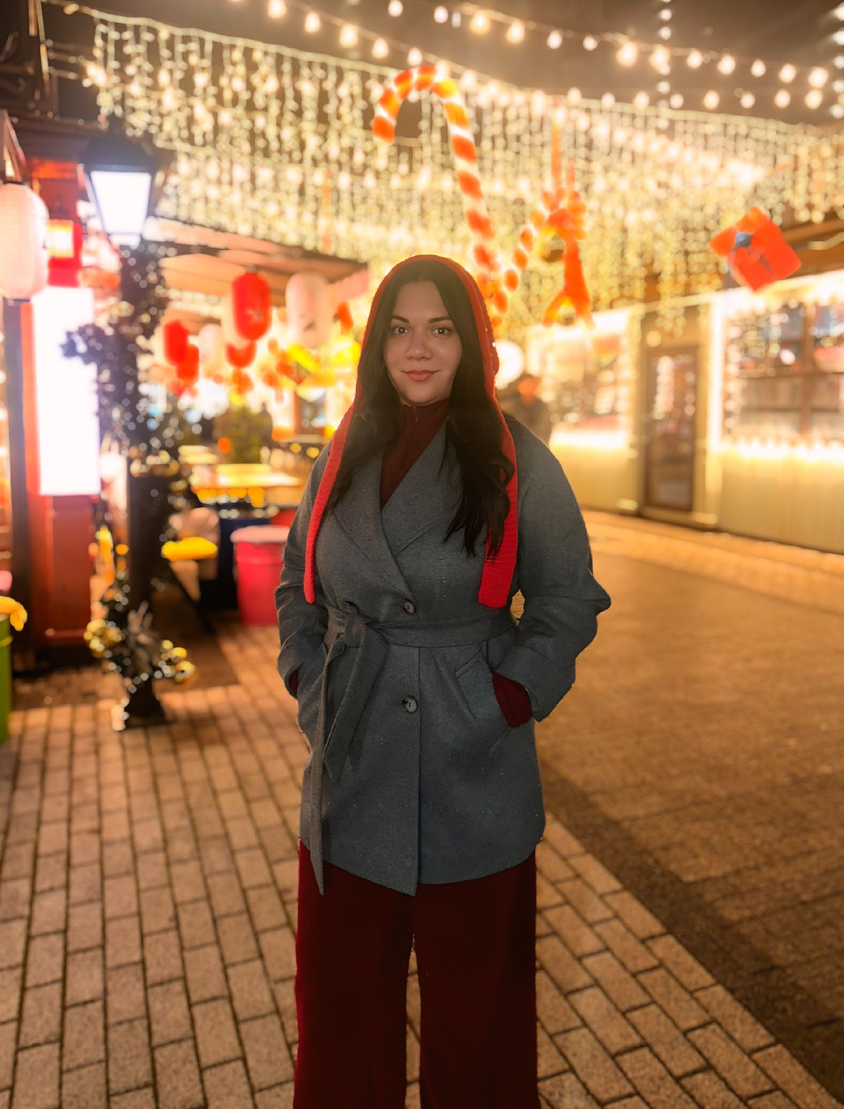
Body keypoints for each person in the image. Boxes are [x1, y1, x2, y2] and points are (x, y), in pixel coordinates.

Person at [276, 255, 610, 1108]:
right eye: (399, 329)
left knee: (478, 1019)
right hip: (351, 762)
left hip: (472, 768)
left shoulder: (515, 458)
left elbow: (568, 598)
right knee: (342, 1012)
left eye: (440, 328)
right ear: (376, 343)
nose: (418, 348)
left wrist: (506, 697)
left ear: (472, 343)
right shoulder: (345, 449)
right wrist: (308, 678)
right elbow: (297, 578)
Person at [497, 369, 553, 444]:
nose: (529, 388)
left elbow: (544, 431)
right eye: (526, 384)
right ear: (520, 386)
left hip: (536, 446)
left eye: (531, 385)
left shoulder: (542, 408)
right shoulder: (508, 408)